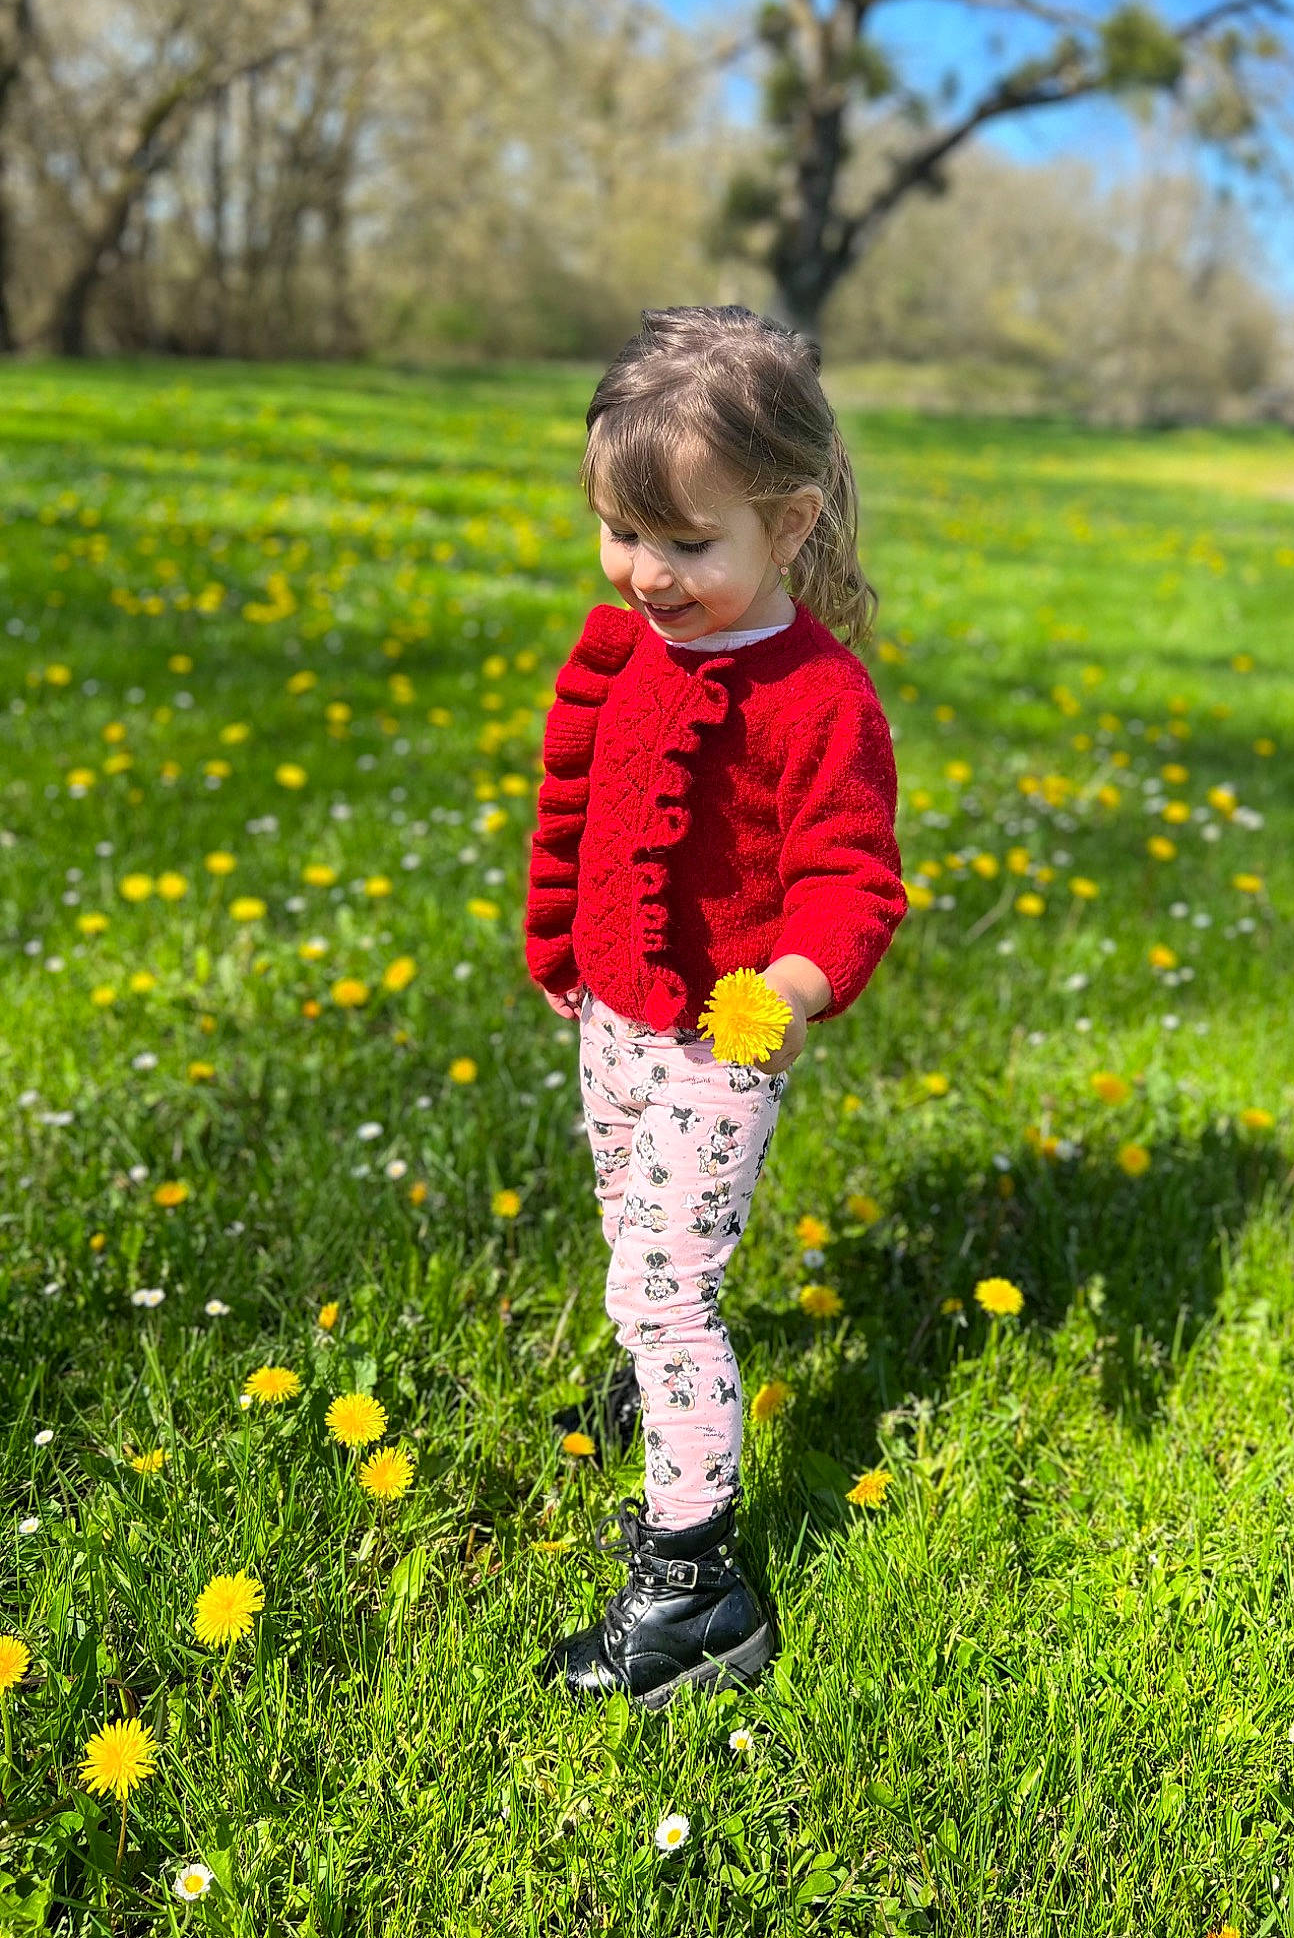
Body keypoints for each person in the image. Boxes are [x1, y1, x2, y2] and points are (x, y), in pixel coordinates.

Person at [523, 304, 908, 1708]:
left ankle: (697, 1591)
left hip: (721, 1040)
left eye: (689, 544)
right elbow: (586, 804)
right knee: (629, 1228)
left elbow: (852, 885)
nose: (648, 573)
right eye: (624, 533)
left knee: (667, 1291)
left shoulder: (818, 700)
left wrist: (789, 992)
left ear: (789, 521)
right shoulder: (630, 649)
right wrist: (566, 941)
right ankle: (650, 1394)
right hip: (614, 1021)